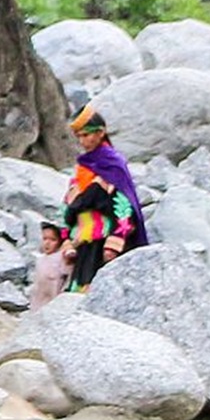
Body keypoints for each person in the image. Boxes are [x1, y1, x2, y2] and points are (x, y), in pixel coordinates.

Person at [63, 105, 148, 292]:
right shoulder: (85, 164)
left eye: (87, 135)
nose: (83, 141)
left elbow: (124, 204)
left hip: (104, 240)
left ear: (101, 133)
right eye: (80, 137)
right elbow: (72, 201)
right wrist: (67, 235)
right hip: (84, 239)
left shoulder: (112, 164)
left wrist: (115, 242)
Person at [29, 222, 73, 311]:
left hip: (54, 304)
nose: (47, 243)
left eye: (53, 240)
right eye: (45, 239)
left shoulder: (62, 258)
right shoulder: (40, 260)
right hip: (38, 303)